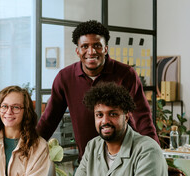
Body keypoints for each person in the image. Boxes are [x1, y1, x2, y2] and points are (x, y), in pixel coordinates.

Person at [37, 20, 159, 162]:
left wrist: (155, 156)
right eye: (85, 46)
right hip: (87, 161)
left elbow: (143, 118)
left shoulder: (125, 74)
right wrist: (28, 150)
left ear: (106, 49)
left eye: (97, 46)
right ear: (78, 51)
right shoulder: (65, 77)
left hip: (125, 159)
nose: (91, 51)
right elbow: (48, 120)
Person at [67, 82, 170, 176]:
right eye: (99, 115)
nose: (105, 121)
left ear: (127, 116)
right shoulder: (92, 146)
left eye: (113, 114)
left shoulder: (147, 149)